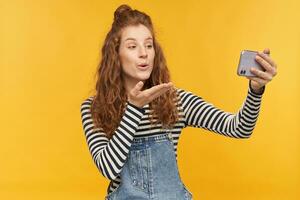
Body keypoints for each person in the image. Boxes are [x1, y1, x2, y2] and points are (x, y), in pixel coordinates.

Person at [80, 4, 277, 200]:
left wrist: (255, 90)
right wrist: (134, 109)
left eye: (149, 45)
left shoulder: (175, 101)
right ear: (116, 55)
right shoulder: (94, 108)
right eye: (132, 46)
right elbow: (108, 168)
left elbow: (239, 128)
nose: (144, 53)